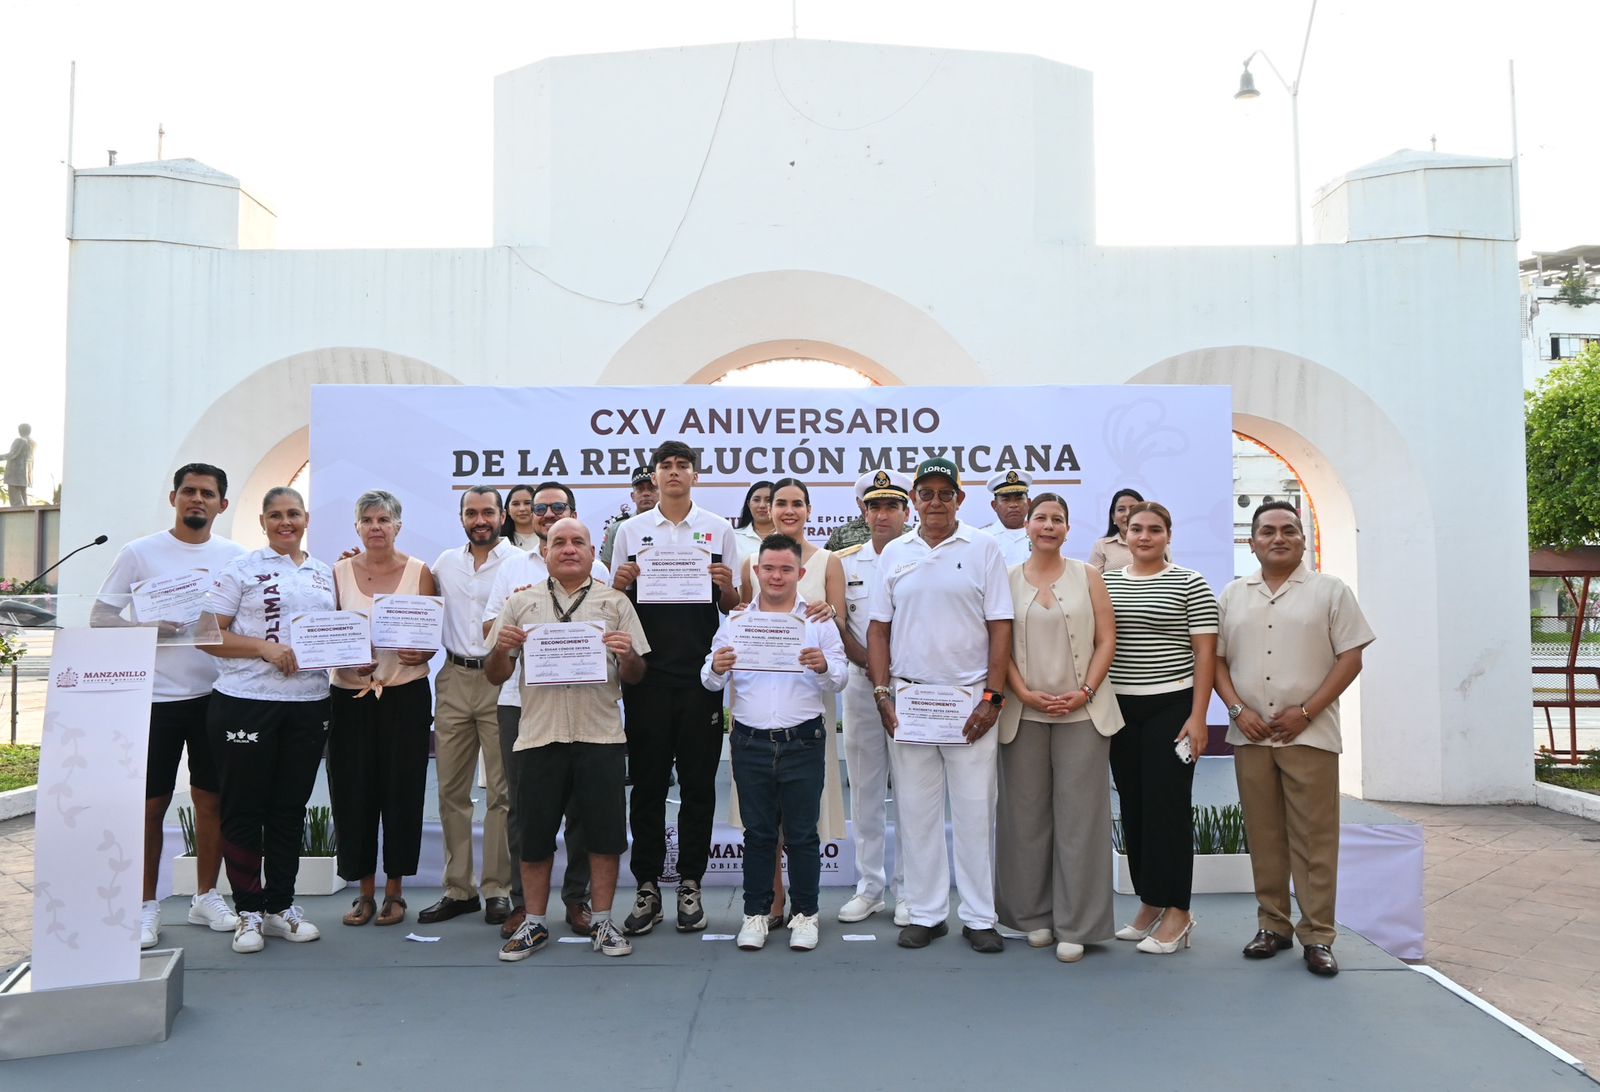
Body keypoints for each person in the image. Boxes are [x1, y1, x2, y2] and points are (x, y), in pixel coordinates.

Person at [1215, 501, 1374, 977]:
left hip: (1309, 735)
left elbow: (1351, 658)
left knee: (1314, 838)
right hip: (1251, 735)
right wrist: (1237, 710)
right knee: (1263, 834)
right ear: (1252, 543)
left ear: (1304, 540)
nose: (1278, 537)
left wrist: (1306, 712)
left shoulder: (1330, 591)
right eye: (1267, 531)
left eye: (1289, 529)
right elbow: (1216, 661)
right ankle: (1272, 926)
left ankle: (1318, 934)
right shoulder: (1233, 594)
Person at [92, 462, 247, 948]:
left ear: (222, 504)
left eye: (207, 493)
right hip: (154, 697)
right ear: (174, 498)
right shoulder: (139, 552)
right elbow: (100, 616)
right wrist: (144, 629)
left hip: (216, 695)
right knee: (151, 805)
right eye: (189, 491)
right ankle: (145, 906)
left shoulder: (236, 557)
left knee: (211, 800)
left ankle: (206, 897)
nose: (197, 499)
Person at [868, 457, 1014, 953]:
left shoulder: (983, 548)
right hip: (910, 700)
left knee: (974, 814)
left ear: (960, 499)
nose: (935, 502)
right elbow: (878, 629)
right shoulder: (895, 552)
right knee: (916, 814)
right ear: (914, 499)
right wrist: (882, 693)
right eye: (926, 493)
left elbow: (1000, 625)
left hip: (970, 702)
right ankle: (927, 913)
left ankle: (979, 916)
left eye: (944, 493)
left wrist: (993, 697)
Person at [486, 518, 649, 961]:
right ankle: (535, 923)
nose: (569, 549)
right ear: (546, 553)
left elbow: (636, 674)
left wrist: (627, 656)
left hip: (600, 736)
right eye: (559, 542)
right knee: (535, 837)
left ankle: (603, 922)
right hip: (539, 736)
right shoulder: (521, 603)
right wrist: (501, 649)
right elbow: (495, 675)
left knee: (604, 836)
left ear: (593, 553)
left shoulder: (615, 603)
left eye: (578, 542)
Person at [610, 440, 741, 936]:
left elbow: (731, 605)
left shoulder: (718, 528)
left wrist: (726, 586)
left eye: (682, 465)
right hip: (646, 676)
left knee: (698, 786)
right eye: (665, 466)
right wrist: (621, 583)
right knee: (646, 785)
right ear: (655, 475)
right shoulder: (631, 530)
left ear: (694, 475)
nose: (673, 473)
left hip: (701, 677)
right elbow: (616, 602)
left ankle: (690, 883)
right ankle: (647, 886)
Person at [476, 481, 613, 938]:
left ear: (573, 512)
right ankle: (524, 906)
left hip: (586, 703)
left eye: (559, 507)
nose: (550, 514)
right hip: (521, 703)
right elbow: (490, 629)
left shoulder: (599, 568)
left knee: (582, 810)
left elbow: (610, 630)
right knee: (524, 810)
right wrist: (522, 620)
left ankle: (577, 900)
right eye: (541, 508)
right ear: (530, 516)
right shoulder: (511, 566)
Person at [200, 486, 333, 953]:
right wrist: (263, 648)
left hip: (309, 703)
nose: (285, 522)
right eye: (275, 515)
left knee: (289, 809)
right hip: (246, 701)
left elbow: (333, 637)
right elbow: (206, 635)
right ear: (262, 522)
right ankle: (248, 913)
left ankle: (280, 907)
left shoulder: (324, 574)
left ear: (306, 519)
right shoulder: (240, 569)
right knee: (243, 809)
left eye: (293, 514)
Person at [703, 535, 848, 951]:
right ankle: (756, 913)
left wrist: (824, 666)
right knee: (758, 835)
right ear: (757, 572)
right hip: (750, 741)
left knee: (802, 835)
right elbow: (709, 679)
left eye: (786, 569)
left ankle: (806, 915)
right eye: (769, 568)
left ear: (800, 573)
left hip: (802, 739)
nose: (777, 576)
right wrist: (716, 667)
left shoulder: (817, 620)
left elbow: (840, 678)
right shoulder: (736, 620)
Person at [994, 493, 1122, 963]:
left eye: (1058, 519)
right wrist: (1022, 692)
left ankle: (1078, 924)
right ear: (1027, 526)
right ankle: (1033, 917)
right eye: (1041, 518)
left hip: (1083, 713)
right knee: (1024, 817)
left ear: (1068, 529)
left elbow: (1107, 639)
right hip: (1023, 713)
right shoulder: (1005, 578)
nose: (1049, 526)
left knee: (1081, 819)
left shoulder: (1089, 576)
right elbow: (998, 646)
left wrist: (1085, 691)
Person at [1103, 501, 1218, 956]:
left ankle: (1179, 912)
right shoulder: (1107, 582)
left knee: (1167, 810)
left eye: (1154, 529)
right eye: (1136, 528)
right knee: (1134, 809)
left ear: (1168, 535)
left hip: (1172, 708)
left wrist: (1198, 716)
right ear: (1124, 533)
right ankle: (1151, 901)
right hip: (1120, 711)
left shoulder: (1190, 582)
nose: (1145, 536)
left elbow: (1205, 654)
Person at [735, 477, 847, 925]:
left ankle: (804, 908)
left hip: (808, 698)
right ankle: (771, 902)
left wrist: (827, 614)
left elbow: (839, 619)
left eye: (797, 503)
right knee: (761, 822)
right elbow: (745, 618)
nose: (787, 510)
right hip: (759, 706)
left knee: (802, 818)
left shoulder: (829, 560)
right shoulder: (751, 562)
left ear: (809, 510)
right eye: (780, 502)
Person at [327, 491, 437, 928]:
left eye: (384, 519)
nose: (376, 527)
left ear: (398, 526)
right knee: (353, 791)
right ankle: (364, 890)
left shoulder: (420, 572)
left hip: (405, 694)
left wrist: (422, 652)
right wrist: (345, 659)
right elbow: (329, 635)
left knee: (402, 790)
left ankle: (395, 890)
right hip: (350, 696)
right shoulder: (337, 573)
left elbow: (431, 636)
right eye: (368, 520)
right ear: (357, 527)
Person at [426, 487, 521, 929]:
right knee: (451, 789)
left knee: (501, 792)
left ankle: (497, 889)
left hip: (501, 678)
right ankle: (457, 890)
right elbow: (412, 597)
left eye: (487, 512)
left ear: (501, 516)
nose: (480, 520)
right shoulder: (444, 563)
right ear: (461, 517)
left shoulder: (518, 562)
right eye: (471, 513)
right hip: (453, 677)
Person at [834, 470, 912, 926]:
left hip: (913, 688)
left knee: (912, 791)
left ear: (906, 511)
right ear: (864, 512)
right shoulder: (844, 563)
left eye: (892, 506)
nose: (883, 515)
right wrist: (873, 667)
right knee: (865, 789)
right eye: (875, 506)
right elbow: (839, 625)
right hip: (862, 683)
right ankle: (869, 888)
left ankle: (908, 889)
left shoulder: (922, 557)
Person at [599, 466, 660, 568]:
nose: (646, 494)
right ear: (633, 496)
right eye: (640, 489)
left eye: (651, 488)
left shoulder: (672, 524)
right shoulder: (617, 528)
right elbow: (607, 566)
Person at [980, 470, 1032, 568]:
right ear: (994, 505)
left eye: (1019, 499)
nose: (1013, 505)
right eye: (1006, 500)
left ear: (1029, 503)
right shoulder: (983, 538)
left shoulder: (1040, 535)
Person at [1088, 488, 1145, 573]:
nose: (1127, 514)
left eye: (1133, 508)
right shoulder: (1102, 545)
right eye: (1121, 509)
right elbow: (1092, 579)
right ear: (1113, 517)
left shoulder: (1158, 542)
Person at [731, 480, 776, 558]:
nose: (762, 505)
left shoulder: (788, 536)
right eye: (756, 500)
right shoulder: (734, 537)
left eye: (768, 500)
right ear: (748, 504)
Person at [0, 423, 35, 506]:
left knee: (16, 502)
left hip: (14, 475)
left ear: (20, 430)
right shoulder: (32, 444)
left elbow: (12, 454)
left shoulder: (20, 441)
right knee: (24, 501)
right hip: (25, 476)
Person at [501, 484, 539, 549]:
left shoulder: (547, 537)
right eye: (516, 504)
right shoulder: (500, 541)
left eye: (527, 503)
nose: (522, 509)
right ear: (508, 510)